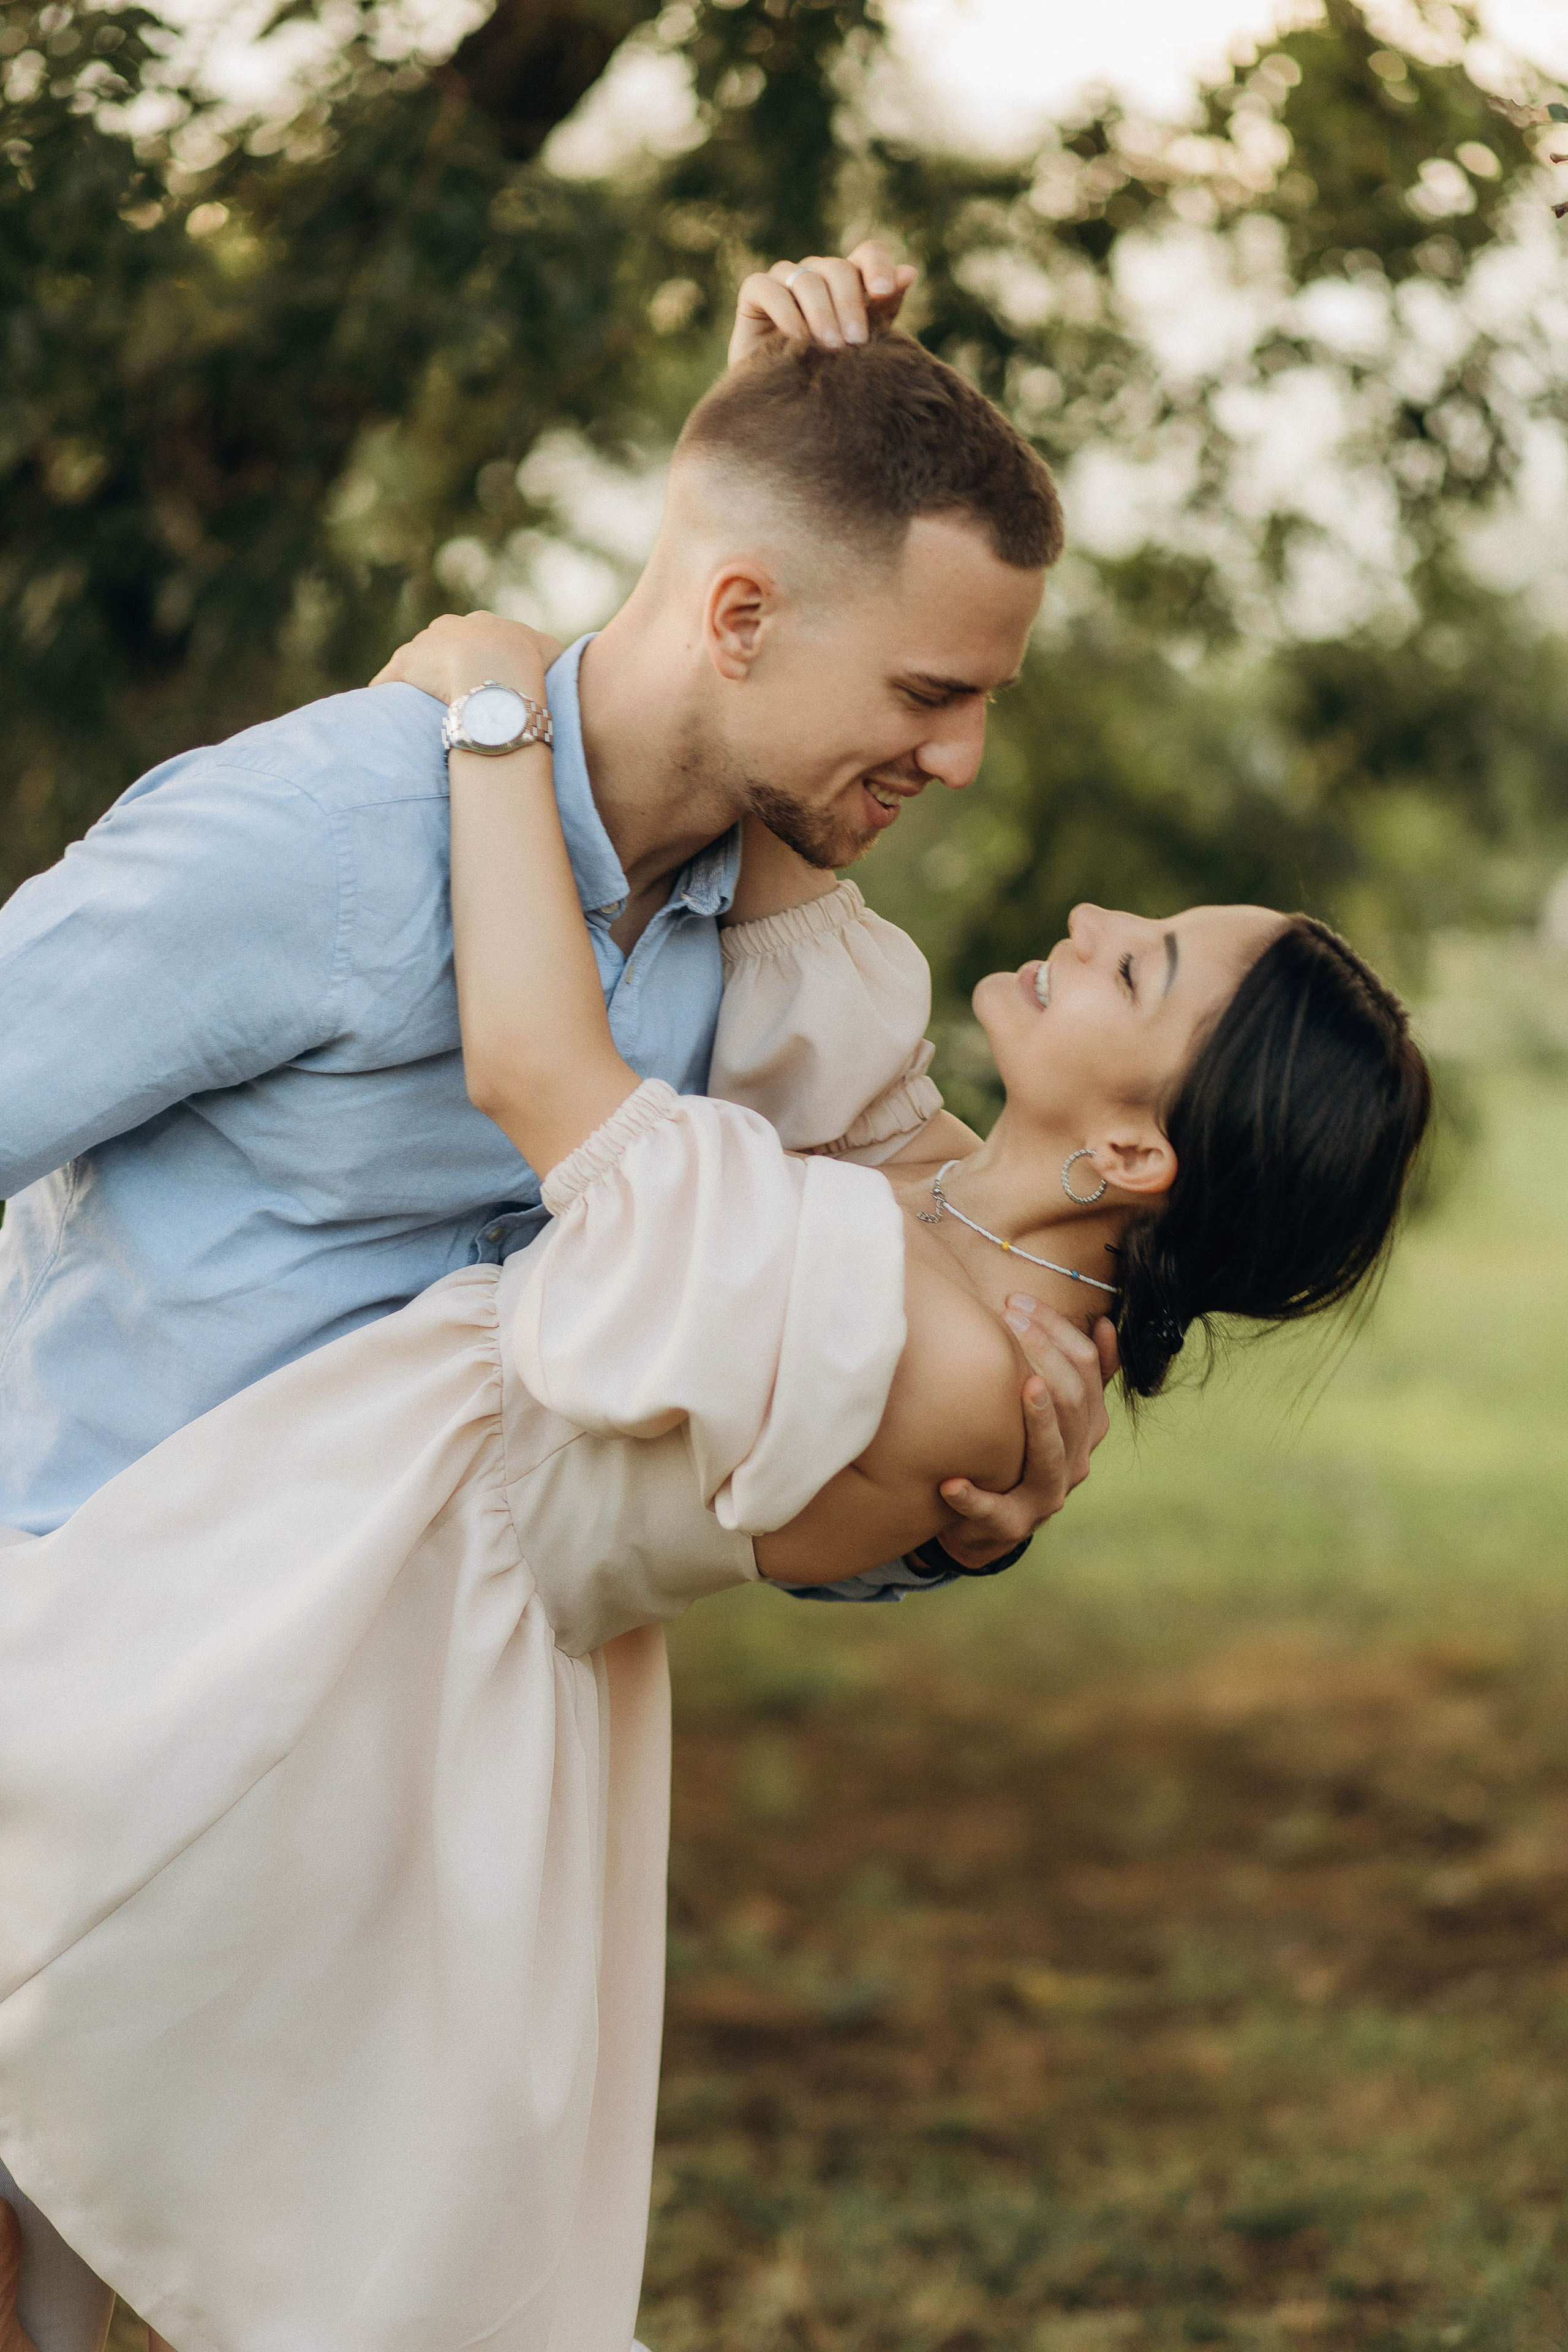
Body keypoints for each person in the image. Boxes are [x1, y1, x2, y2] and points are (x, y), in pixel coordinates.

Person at [0, 566, 1431, 2350]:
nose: (1086, 909)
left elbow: (544, 1066)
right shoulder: (947, 1227)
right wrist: (755, 544)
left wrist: (494, 693)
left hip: (324, 1685)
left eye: (1138, 959)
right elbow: (735, 796)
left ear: (1142, 1160)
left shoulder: (947, 1360)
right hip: (289, 1583)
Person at [0, 245, 1108, 1598]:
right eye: (928, 691)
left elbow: (744, 1430)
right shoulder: (324, 831)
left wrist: (948, 1511)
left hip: (438, 1727)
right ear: (741, 616)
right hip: (86, 1669)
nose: (961, 759)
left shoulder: (770, 983)